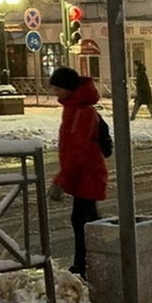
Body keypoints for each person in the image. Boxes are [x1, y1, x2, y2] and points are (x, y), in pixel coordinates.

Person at [47, 67, 108, 278]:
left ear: (67, 87)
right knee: (91, 221)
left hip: (88, 174)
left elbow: (78, 151)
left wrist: (60, 181)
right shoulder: (74, 108)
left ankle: (82, 265)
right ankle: (100, 258)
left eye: (56, 87)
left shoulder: (81, 111)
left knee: (81, 221)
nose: (54, 92)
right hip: (85, 174)